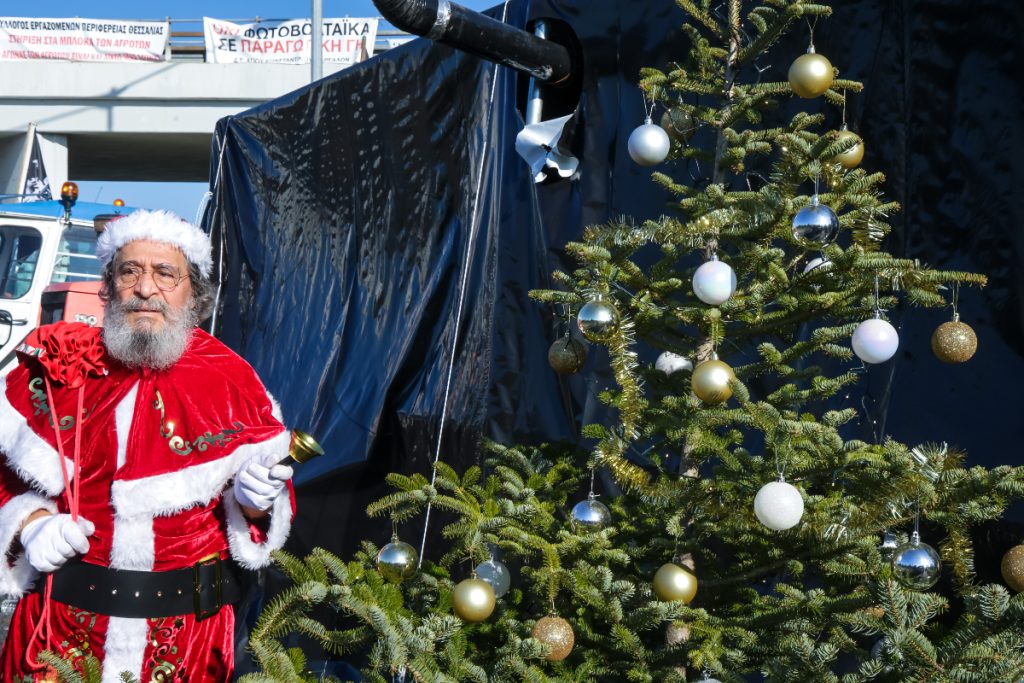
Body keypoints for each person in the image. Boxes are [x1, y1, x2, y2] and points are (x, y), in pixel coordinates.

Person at [0, 209, 295, 681]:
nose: (144, 289)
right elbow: (3, 477)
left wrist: (255, 503)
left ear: (193, 293)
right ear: (108, 285)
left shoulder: (231, 380)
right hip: (59, 636)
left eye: (165, 274)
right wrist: (30, 524)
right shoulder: (62, 371)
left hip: (185, 645)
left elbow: (267, 504)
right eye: (129, 271)